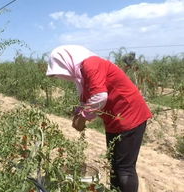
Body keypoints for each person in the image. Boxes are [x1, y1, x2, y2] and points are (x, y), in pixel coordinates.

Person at [46, 45, 152, 192]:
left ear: (66, 61)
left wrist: (83, 117)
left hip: (130, 116)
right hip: (114, 120)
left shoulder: (91, 64)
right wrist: (78, 113)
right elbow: (86, 100)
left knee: (124, 168)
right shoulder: (82, 75)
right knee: (114, 166)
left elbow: (99, 96)